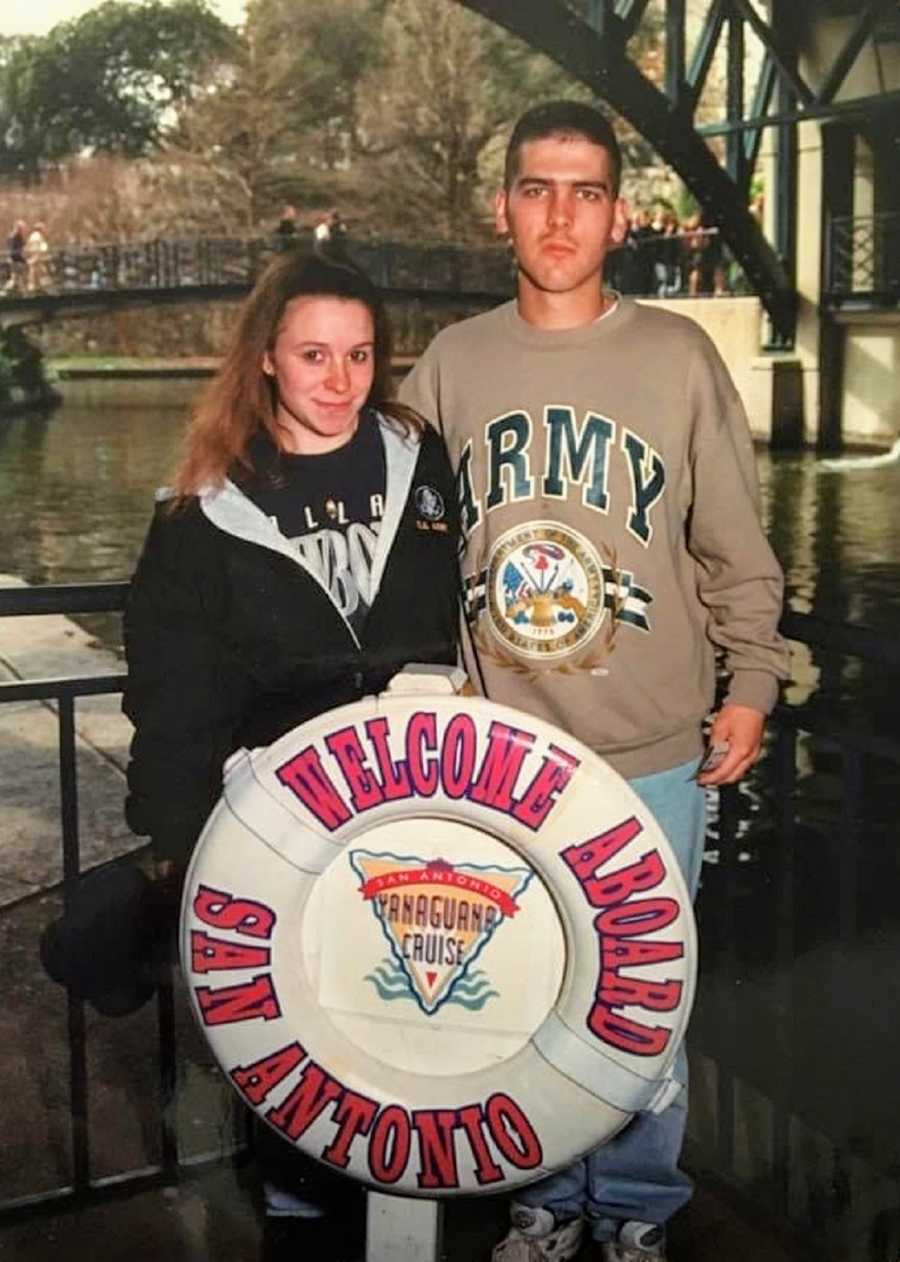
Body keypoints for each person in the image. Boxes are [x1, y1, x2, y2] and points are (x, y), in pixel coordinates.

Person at [400, 100, 789, 1262]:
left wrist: (753, 683)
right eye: (536, 187)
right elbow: (394, 545)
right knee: (523, 993)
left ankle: (630, 1209)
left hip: (655, 753)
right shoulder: (453, 362)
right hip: (501, 758)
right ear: (501, 206)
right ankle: (538, 1197)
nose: (558, 213)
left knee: (640, 1006)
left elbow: (735, 548)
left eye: (583, 191)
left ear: (620, 214)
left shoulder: (676, 356)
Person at [121, 251, 460, 1262]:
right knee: (306, 1057)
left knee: (413, 1033)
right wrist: (178, 844)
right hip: (280, 835)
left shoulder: (418, 456)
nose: (339, 378)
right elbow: (171, 697)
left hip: (413, 818)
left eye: (359, 354)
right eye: (313, 353)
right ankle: (303, 1223)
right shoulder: (201, 508)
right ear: (265, 356)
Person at [24, 221, 50, 292]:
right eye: (44, 228)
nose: (45, 230)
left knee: (35, 279)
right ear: (40, 229)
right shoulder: (37, 237)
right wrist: (36, 259)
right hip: (37, 261)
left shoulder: (33, 236)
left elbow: (27, 248)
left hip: (35, 260)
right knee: (36, 279)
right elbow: (38, 249)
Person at [4, 220, 27, 294]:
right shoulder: (13, 237)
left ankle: (19, 293)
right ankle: (5, 292)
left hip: (19, 261)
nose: (24, 230)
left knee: (17, 278)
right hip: (15, 261)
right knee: (15, 278)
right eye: (23, 228)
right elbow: (12, 250)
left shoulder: (20, 237)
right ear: (18, 228)